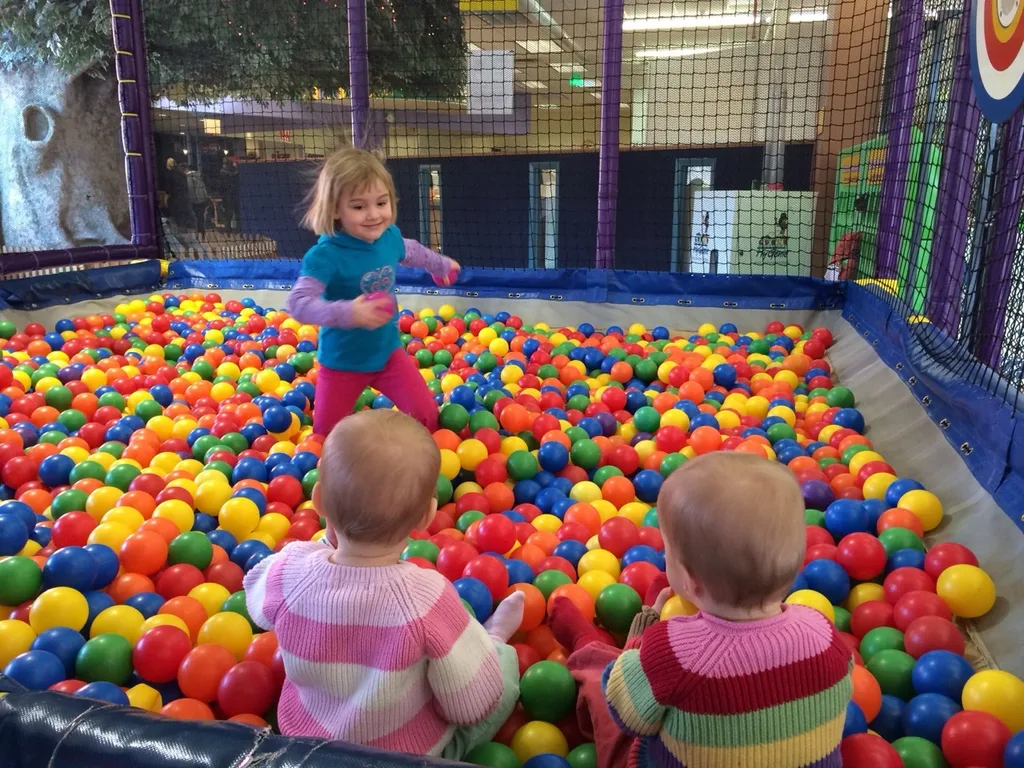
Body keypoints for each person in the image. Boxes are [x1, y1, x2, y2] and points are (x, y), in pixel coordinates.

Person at [244, 410, 523, 758]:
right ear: (427, 515)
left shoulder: (291, 569)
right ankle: (494, 638)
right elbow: (470, 706)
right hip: (401, 757)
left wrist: (319, 551)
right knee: (505, 678)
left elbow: (255, 597)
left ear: (317, 500)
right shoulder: (427, 597)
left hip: (307, 746)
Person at [551, 452, 854, 768]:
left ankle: (585, 644)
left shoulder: (676, 654)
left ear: (691, 582)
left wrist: (645, 635)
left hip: (645, 728)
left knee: (603, 682)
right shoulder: (823, 635)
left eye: (668, 553)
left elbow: (623, 708)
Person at [286, 147, 459, 436]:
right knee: (326, 438)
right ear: (335, 209)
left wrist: (440, 265)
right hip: (341, 363)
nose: (373, 215)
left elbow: (411, 251)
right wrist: (349, 312)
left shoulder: (388, 237)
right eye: (358, 207)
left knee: (428, 417)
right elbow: (298, 304)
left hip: (387, 354)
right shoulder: (326, 255)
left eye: (381, 203)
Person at [185, 165, 211, 238]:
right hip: (203, 199)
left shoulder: (189, 177)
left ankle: (197, 233)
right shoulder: (199, 176)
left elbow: (190, 189)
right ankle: (202, 232)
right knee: (201, 216)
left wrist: (190, 200)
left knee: (195, 217)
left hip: (195, 201)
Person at [219, 155, 240, 234]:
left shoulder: (222, 172)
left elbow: (221, 185)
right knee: (237, 213)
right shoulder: (236, 171)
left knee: (228, 214)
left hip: (227, 196)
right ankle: (238, 229)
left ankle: (228, 230)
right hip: (236, 194)